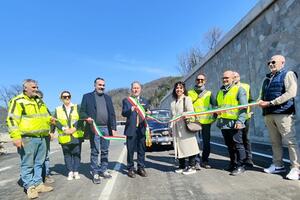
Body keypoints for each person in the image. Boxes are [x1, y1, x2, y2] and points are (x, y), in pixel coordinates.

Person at [6, 79, 53, 199]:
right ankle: (30, 187)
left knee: (39, 163)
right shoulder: (18, 101)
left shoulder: (39, 101)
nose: (36, 89)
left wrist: (50, 121)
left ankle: (38, 184)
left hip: (42, 137)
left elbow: (44, 117)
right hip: (27, 138)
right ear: (25, 88)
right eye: (33, 87)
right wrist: (16, 136)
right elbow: (12, 119)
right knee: (28, 164)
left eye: (36, 87)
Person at [258, 54, 300, 180]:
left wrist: (271, 103)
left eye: (273, 62)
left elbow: (291, 93)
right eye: (269, 63)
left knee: (290, 141)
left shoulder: (288, 74)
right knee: (274, 141)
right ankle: (278, 165)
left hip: (283, 113)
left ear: (282, 62)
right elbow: (261, 96)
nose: (271, 64)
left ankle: (296, 168)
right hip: (269, 114)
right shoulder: (266, 79)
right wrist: (259, 102)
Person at [80, 77, 117, 184]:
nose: (102, 87)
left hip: (106, 128)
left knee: (105, 151)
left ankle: (104, 170)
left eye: (103, 85)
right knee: (95, 151)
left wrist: (113, 128)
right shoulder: (87, 97)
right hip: (94, 128)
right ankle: (95, 172)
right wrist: (87, 118)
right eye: (100, 85)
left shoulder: (108, 98)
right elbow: (82, 112)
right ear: (95, 85)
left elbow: (112, 114)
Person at [216, 71, 248, 176]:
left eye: (227, 78)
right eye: (223, 78)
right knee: (229, 145)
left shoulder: (239, 89)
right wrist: (217, 110)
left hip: (235, 123)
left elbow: (244, 107)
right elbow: (218, 106)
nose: (225, 80)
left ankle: (241, 166)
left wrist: (240, 121)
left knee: (238, 145)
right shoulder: (220, 92)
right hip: (224, 123)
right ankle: (233, 163)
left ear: (233, 78)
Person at [51, 91, 84, 181]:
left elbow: (81, 119)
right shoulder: (57, 109)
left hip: (76, 135)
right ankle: (70, 171)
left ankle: (76, 171)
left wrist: (74, 128)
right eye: (64, 97)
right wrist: (54, 131)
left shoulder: (77, 107)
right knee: (67, 155)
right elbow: (54, 121)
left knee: (77, 154)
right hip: (64, 136)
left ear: (70, 97)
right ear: (61, 98)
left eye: (68, 96)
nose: (67, 98)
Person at [122, 81, 150, 178]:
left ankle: (140, 168)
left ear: (140, 89)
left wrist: (149, 112)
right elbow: (123, 113)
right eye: (134, 88)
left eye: (137, 88)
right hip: (131, 129)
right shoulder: (127, 100)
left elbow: (147, 112)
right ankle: (130, 168)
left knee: (141, 150)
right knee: (130, 150)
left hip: (142, 129)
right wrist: (130, 110)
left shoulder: (145, 101)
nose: (136, 89)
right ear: (131, 90)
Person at [171, 81, 200, 175]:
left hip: (185, 126)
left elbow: (191, 111)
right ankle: (182, 166)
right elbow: (172, 115)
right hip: (175, 127)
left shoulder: (187, 99)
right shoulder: (172, 102)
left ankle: (192, 166)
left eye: (181, 88)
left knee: (189, 145)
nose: (178, 89)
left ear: (183, 90)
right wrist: (170, 127)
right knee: (178, 146)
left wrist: (182, 115)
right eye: (177, 88)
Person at [188, 73, 216, 169]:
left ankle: (205, 160)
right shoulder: (190, 93)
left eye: (202, 80)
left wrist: (214, 118)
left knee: (206, 143)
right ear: (195, 81)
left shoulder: (209, 93)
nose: (200, 81)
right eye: (198, 79)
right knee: (194, 142)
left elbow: (215, 106)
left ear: (205, 81)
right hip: (194, 122)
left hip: (206, 122)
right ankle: (196, 161)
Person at [233, 71, 254, 167]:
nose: (234, 78)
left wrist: (250, 111)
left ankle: (249, 159)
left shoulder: (246, 86)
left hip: (246, 117)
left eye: (236, 76)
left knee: (246, 138)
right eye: (232, 77)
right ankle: (239, 159)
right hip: (234, 117)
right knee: (237, 140)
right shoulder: (230, 89)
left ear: (239, 77)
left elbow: (251, 100)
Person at [36, 90, 55, 184]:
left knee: (46, 157)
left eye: (40, 98)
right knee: (34, 158)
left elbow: (51, 121)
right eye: (36, 97)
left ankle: (46, 175)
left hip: (45, 136)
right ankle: (35, 178)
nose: (38, 99)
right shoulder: (27, 107)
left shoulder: (45, 108)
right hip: (32, 137)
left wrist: (51, 132)